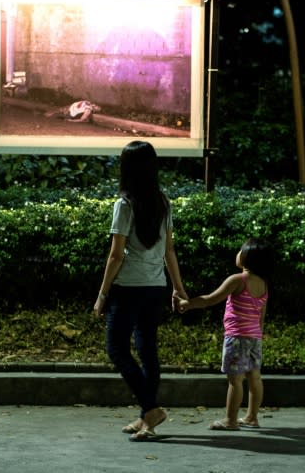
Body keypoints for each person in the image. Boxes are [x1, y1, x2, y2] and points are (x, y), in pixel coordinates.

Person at [93, 140, 188, 441]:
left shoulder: (125, 204)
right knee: (147, 350)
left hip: (128, 288)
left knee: (117, 349)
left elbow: (116, 255)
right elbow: (169, 250)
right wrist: (177, 288)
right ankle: (146, 417)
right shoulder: (163, 201)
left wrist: (102, 295)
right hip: (155, 287)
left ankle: (150, 409)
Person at [178, 238, 271, 430]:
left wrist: (189, 304)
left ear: (246, 257)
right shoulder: (263, 284)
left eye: (240, 250)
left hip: (237, 337)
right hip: (255, 337)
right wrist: (257, 335)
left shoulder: (237, 280)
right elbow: (261, 316)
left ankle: (230, 420)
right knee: (255, 377)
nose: (237, 253)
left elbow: (211, 299)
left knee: (235, 380)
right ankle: (252, 417)